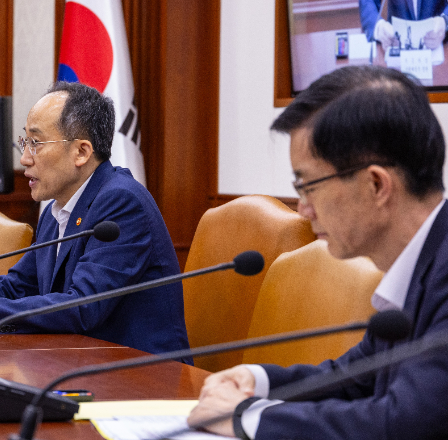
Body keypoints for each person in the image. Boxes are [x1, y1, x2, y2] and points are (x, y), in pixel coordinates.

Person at [187, 65, 448, 438]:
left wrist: (247, 419)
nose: (302, 210)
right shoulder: (424, 260)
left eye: (309, 186)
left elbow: (406, 424)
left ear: (376, 185)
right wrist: (256, 381)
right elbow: (355, 379)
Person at [0, 82, 191, 361]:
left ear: (81, 152)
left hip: (141, 375)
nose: (25, 159)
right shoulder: (57, 208)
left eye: (36, 144)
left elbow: (83, 307)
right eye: (24, 142)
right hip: (80, 361)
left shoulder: (122, 203)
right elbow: (19, 285)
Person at [360, 0, 448, 48]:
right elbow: (368, 2)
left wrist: (445, 21)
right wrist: (378, 26)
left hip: (441, 44)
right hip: (395, 43)